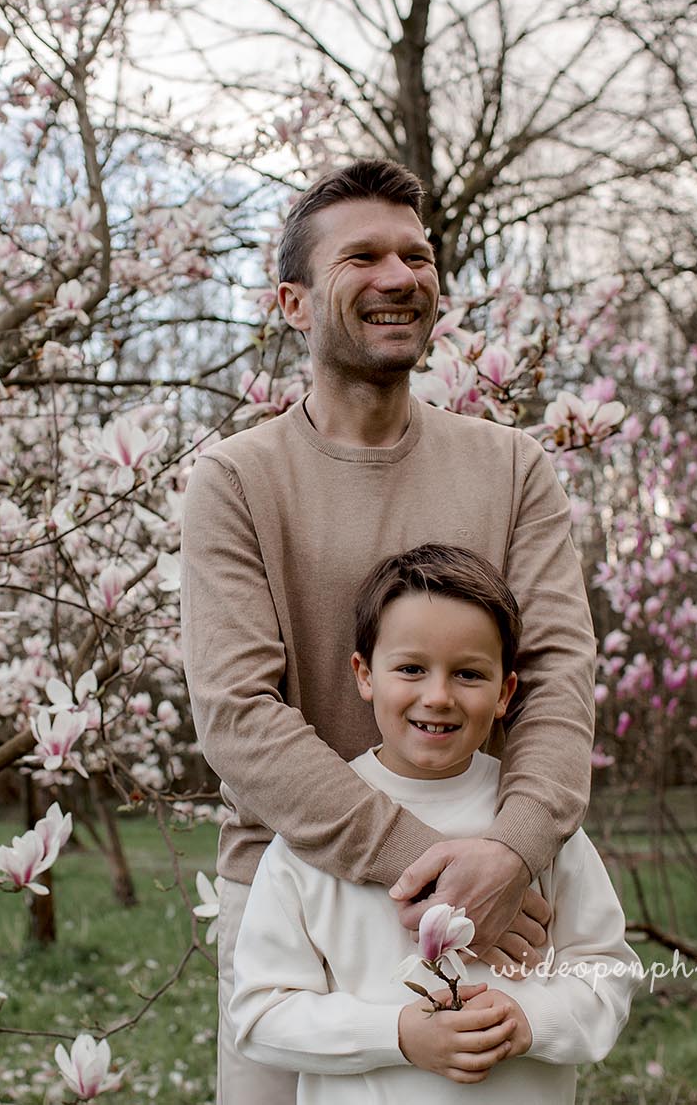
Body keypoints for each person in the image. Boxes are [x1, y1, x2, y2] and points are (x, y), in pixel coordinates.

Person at [180, 159, 598, 1104]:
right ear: (293, 301)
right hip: (295, 888)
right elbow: (240, 713)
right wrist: (434, 867)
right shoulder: (238, 481)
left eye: (417, 255)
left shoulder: (513, 467)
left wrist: (511, 850)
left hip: (502, 884)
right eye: (362, 255)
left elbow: (560, 675)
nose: (400, 276)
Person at [228, 545, 639, 1103]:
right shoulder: (311, 837)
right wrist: (397, 1036)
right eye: (411, 668)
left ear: (505, 693)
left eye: (468, 673)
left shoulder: (535, 825)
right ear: (364, 674)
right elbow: (260, 1014)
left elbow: (606, 973)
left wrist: (530, 1020)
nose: (438, 696)